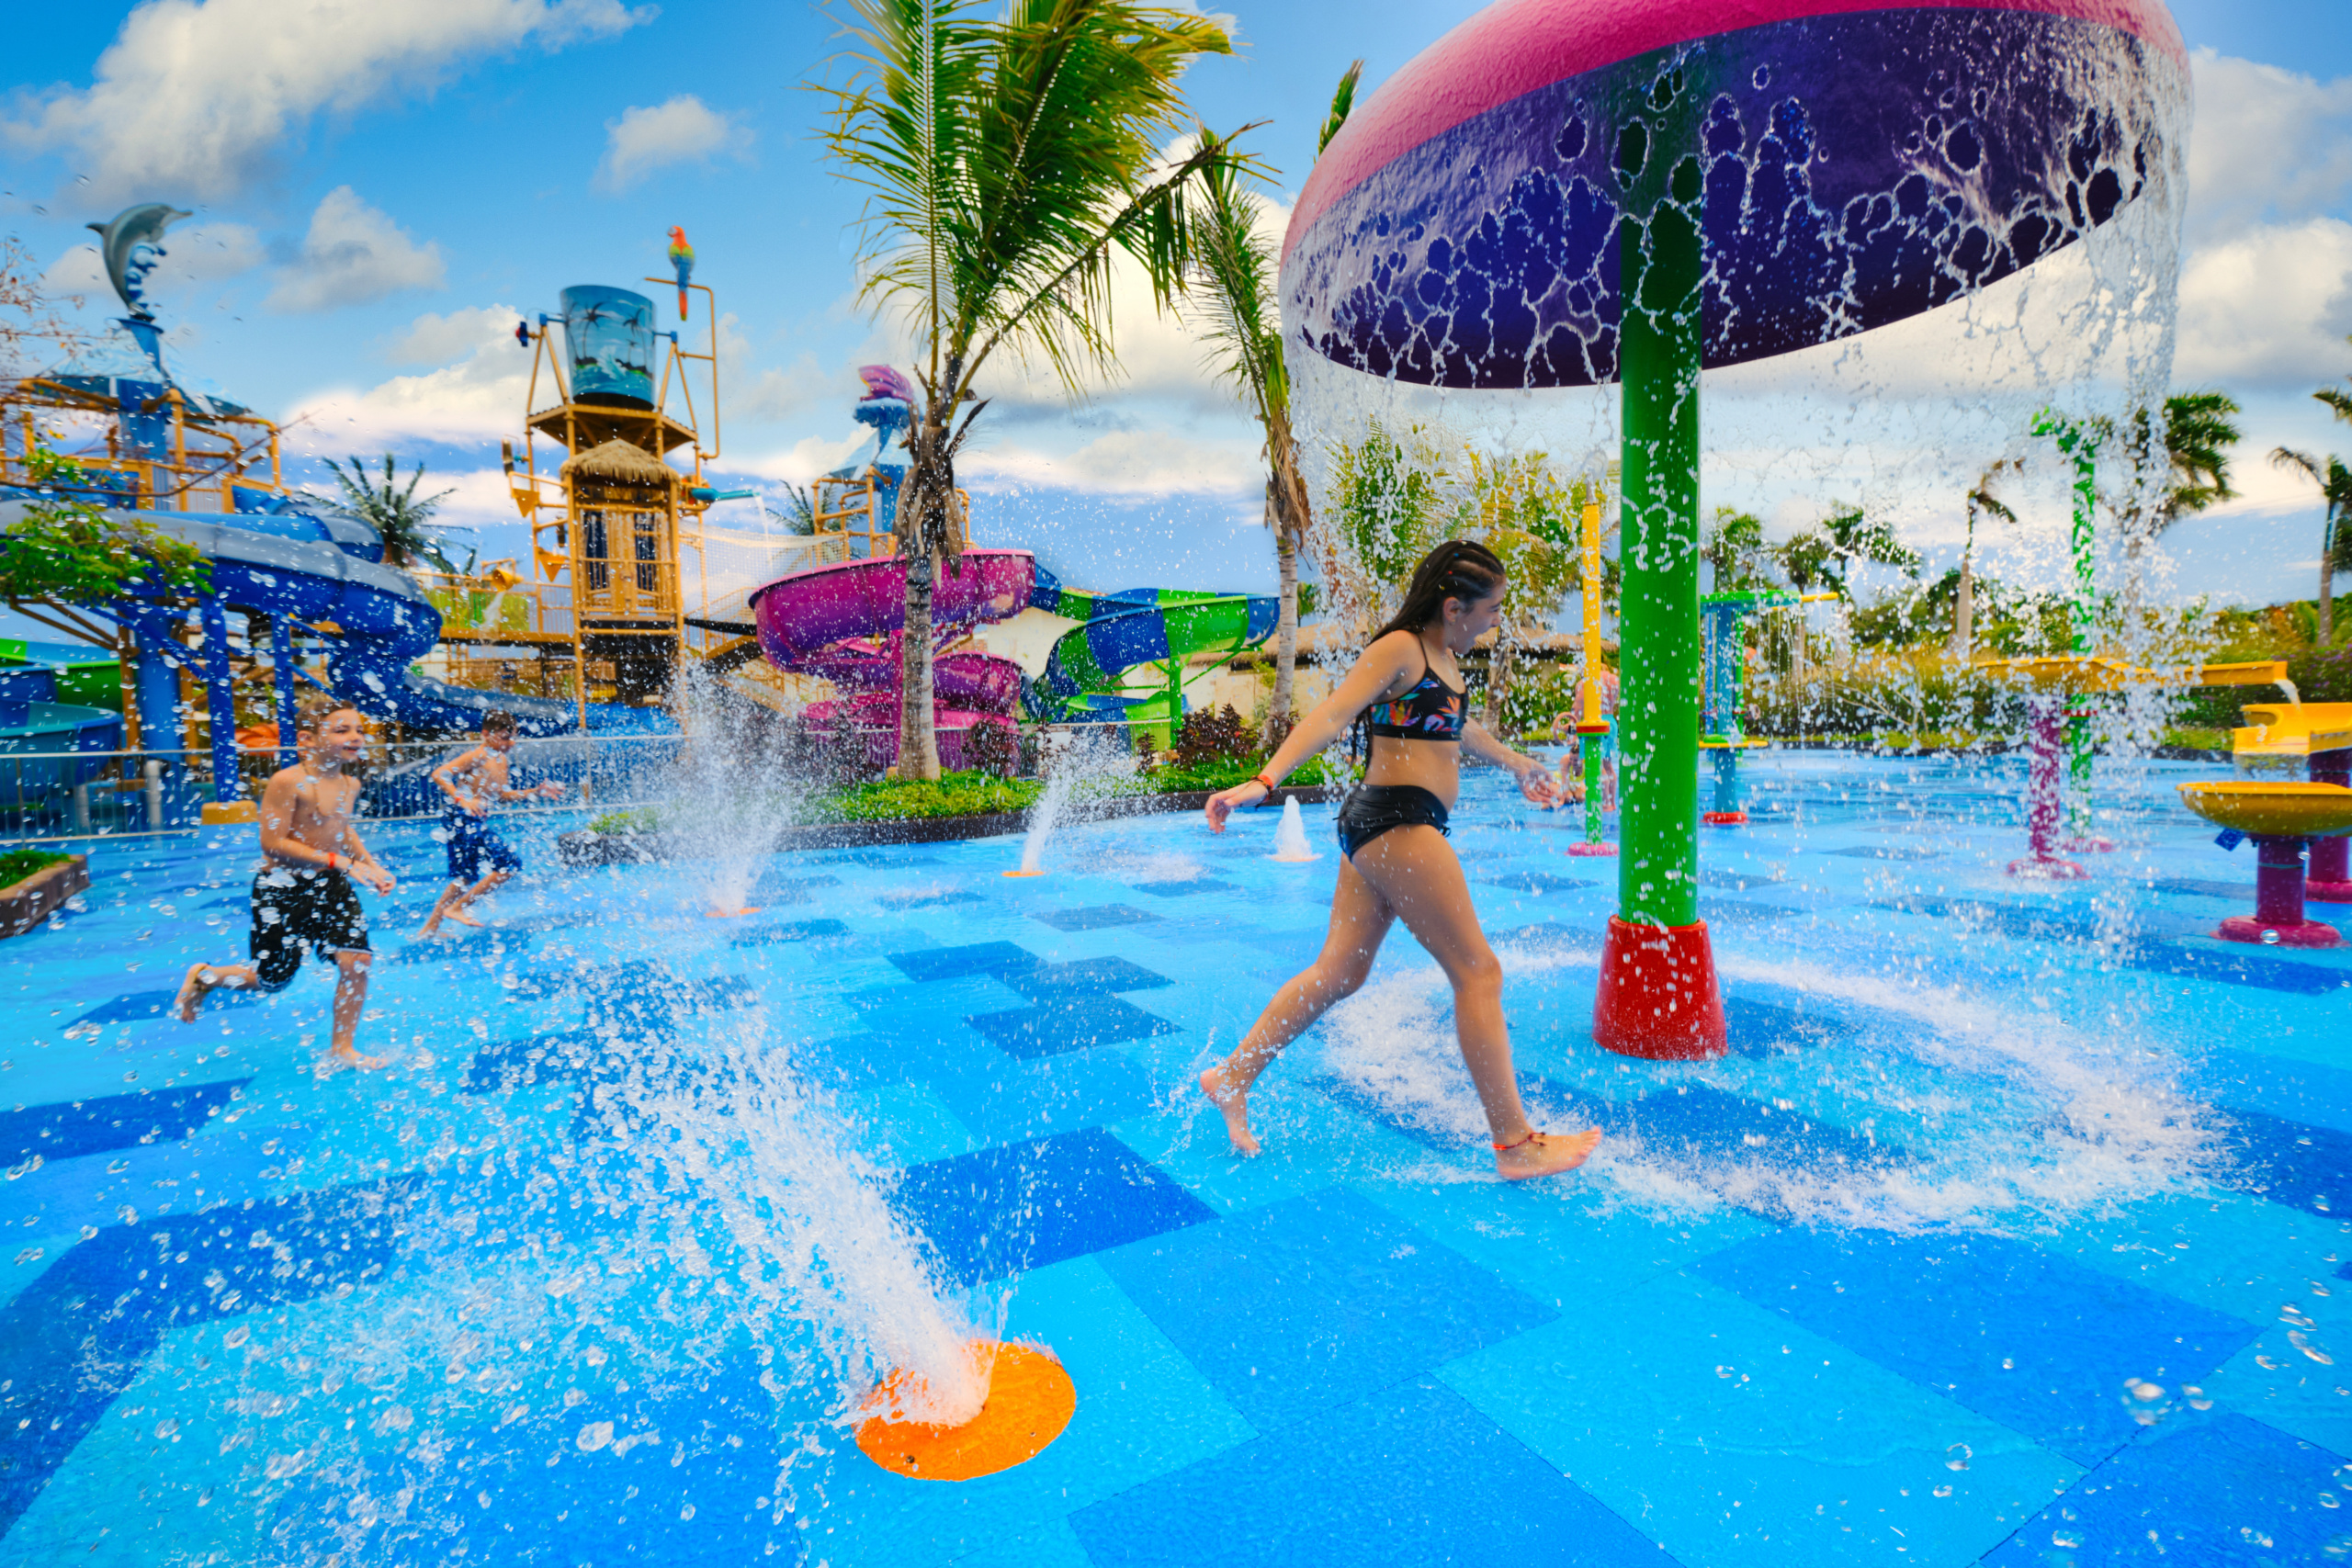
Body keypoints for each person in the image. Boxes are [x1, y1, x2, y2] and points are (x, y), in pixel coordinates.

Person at [1200, 540, 1604, 1181]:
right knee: (1479, 972)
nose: (1497, 621)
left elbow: (1454, 728)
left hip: (1386, 822)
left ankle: (1232, 1075)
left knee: (1340, 971)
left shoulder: (1442, 658)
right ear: (1453, 606)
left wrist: (1517, 762)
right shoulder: (1400, 649)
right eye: (1492, 609)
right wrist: (1265, 781)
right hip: (1398, 820)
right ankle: (1515, 1145)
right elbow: (1334, 714)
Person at [175, 701, 396, 1069]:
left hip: (330, 884)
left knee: (357, 962)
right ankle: (205, 976)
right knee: (272, 979)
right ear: (308, 739)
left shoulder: (350, 782)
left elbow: (341, 827)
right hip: (281, 889)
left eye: (359, 730)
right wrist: (343, 862)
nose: (356, 737)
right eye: (342, 730)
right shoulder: (287, 781)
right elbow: (273, 844)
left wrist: (371, 865)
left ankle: (343, 1048)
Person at [420, 710, 566, 937]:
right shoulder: (478, 755)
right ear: (486, 734)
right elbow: (440, 774)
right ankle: (456, 908)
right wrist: (463, 799)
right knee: (508, 864)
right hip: (461, 817)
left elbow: (503, 795)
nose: (511, 742)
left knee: (466, 876)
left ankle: (431, 928)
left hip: (472, 819)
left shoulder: (501, 760)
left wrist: (535, 791)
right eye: (505, 736)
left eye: (513, 736)